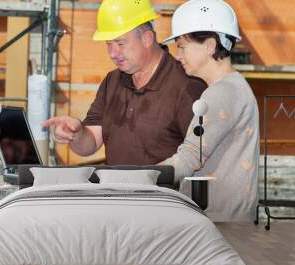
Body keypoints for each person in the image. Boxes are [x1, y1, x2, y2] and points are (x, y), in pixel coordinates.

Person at [42, 0, 206, 165]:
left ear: (147, 38)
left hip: (163, 191)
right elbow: (90, 142)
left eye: (120, 43)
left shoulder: (186, 85)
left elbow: (200, 156)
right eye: (108, 44)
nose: (113, 53)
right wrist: (76, 135)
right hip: (115, 190)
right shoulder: (112, 81)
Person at [160, 0, 260, 222]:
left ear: (210, 46)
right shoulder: (234, 88)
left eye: (182, 46)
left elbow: (188, 159)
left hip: (218, 226)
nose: (178, 55)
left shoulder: (222, 93)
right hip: (229, 224)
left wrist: (137, 179)